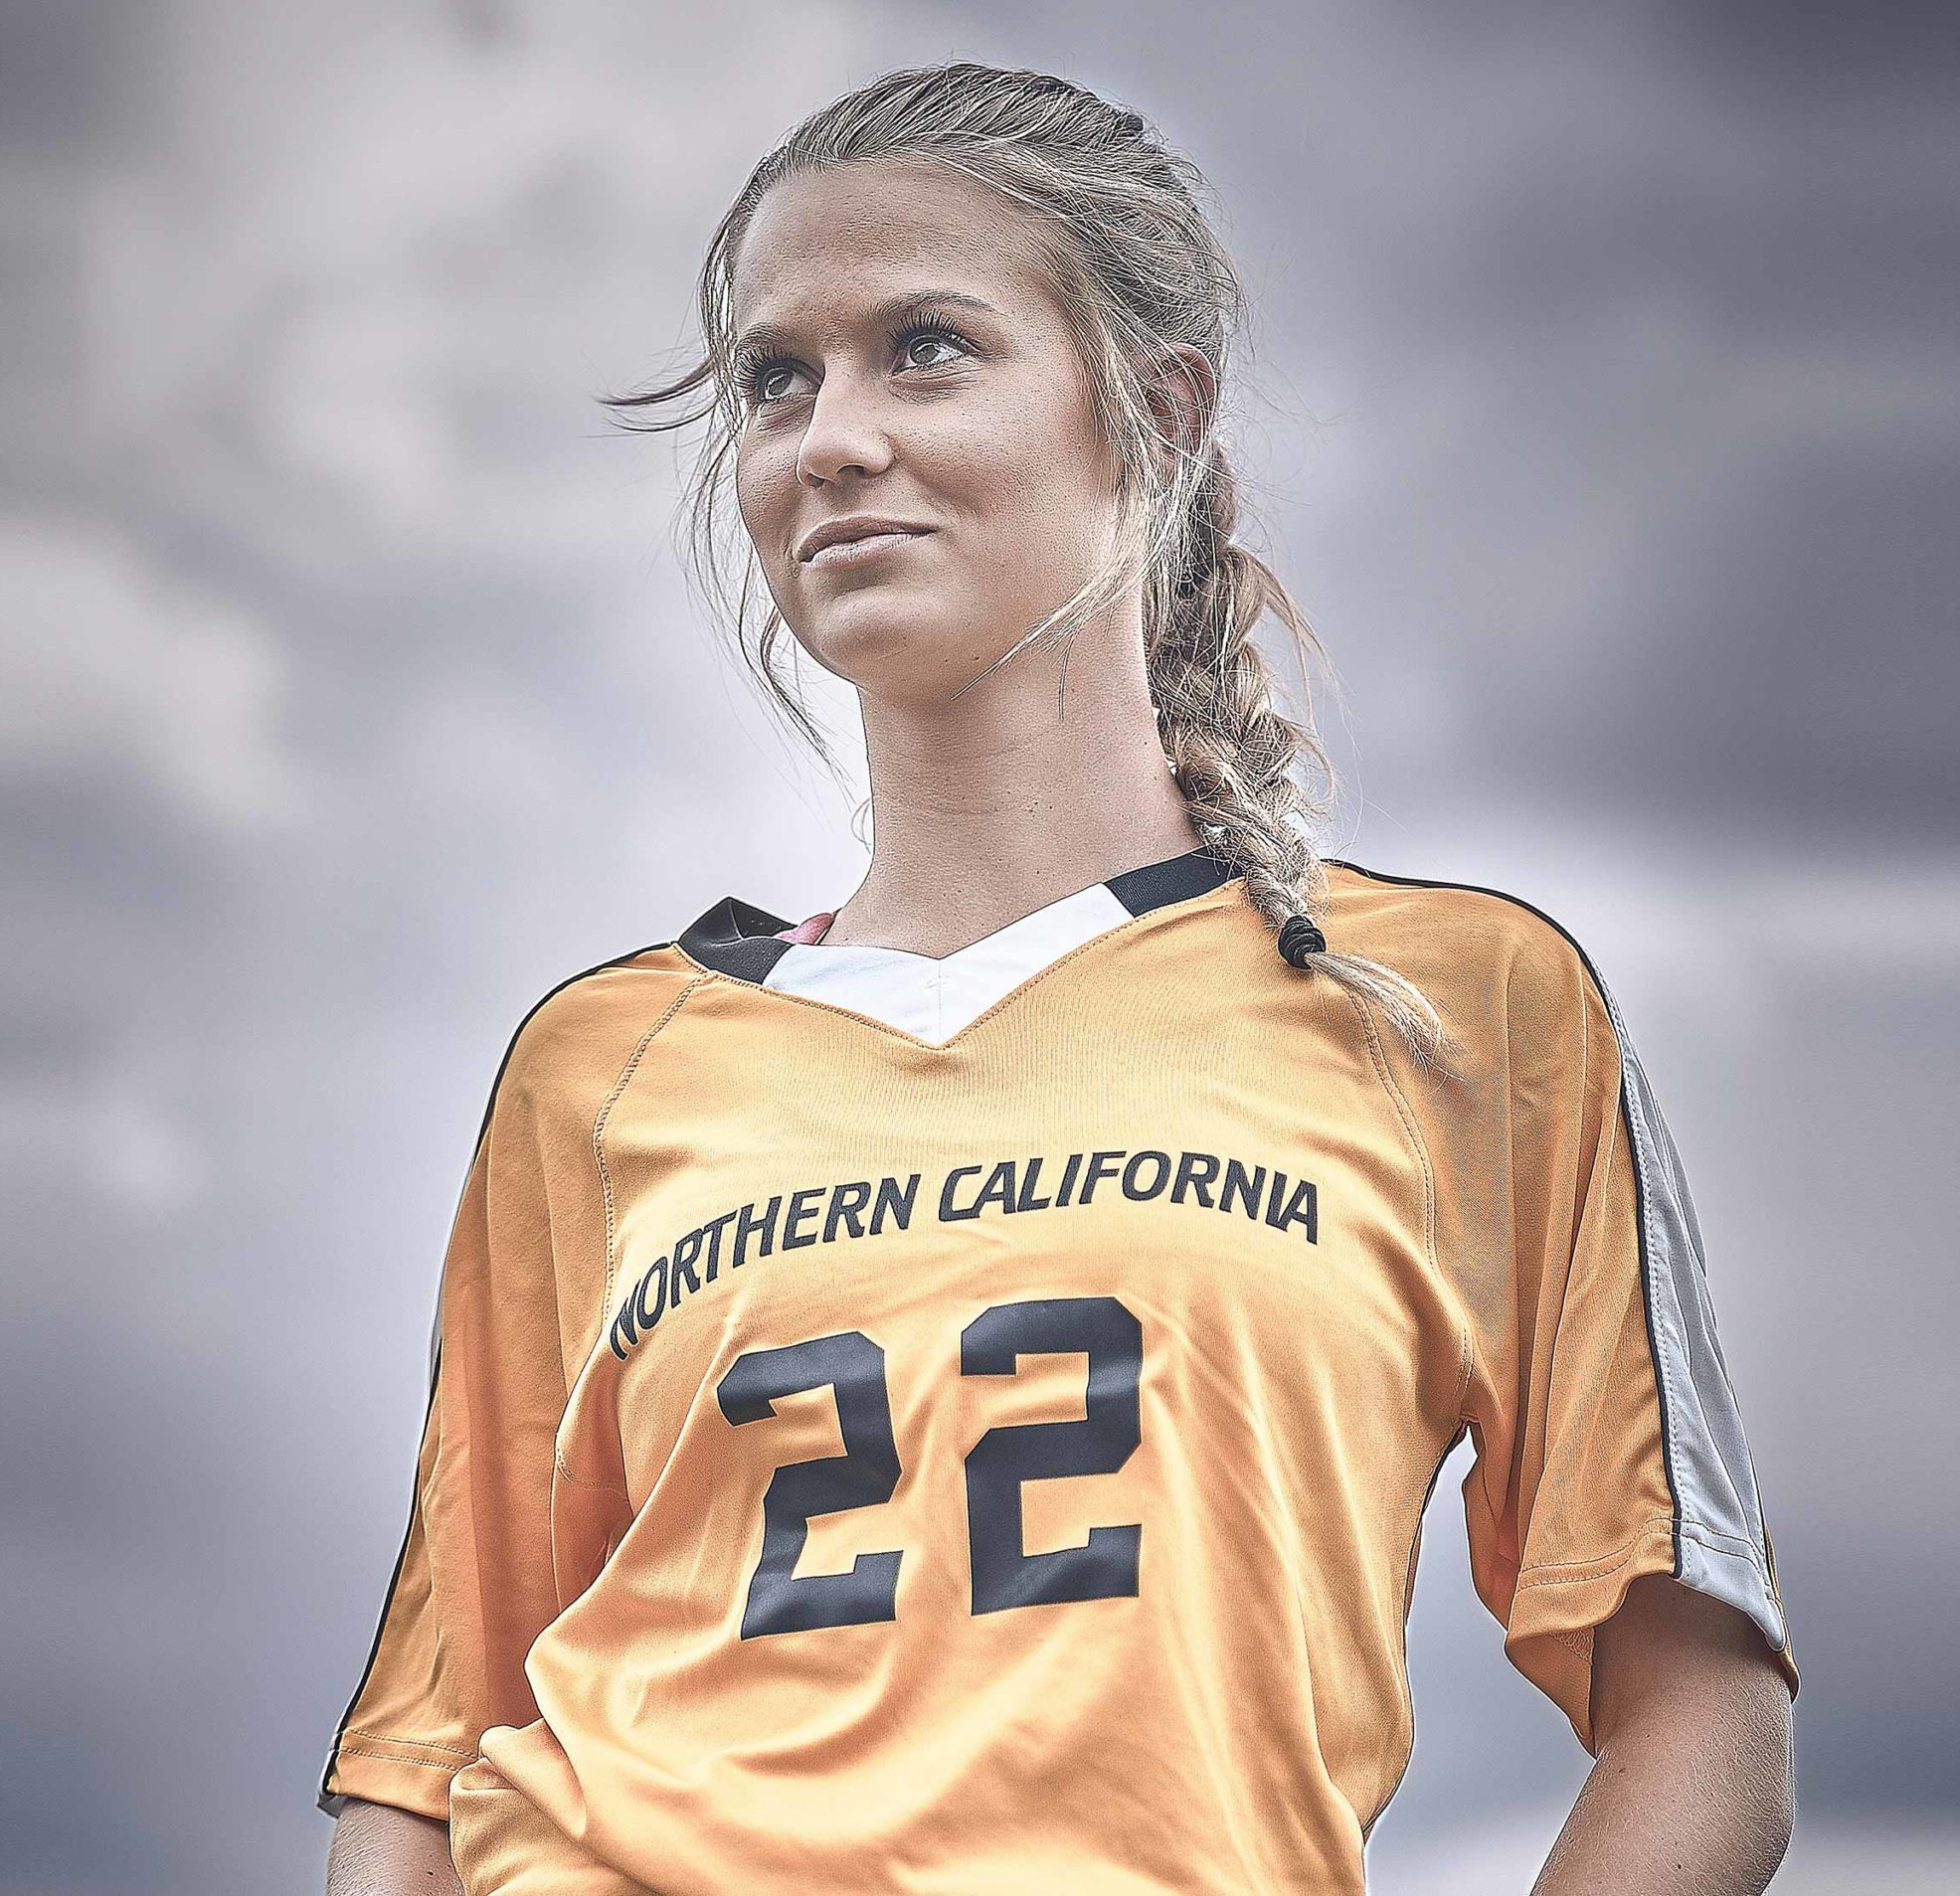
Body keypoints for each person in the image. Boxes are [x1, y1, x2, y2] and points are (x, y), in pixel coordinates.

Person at [319, 61, 1799, 1896]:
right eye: (778, 379)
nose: (829, 438)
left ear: (1152, 409)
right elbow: (430, 1751)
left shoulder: (1450, 1008)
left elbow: (1700, 1723)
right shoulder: (604, 1064)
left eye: (924, 347)